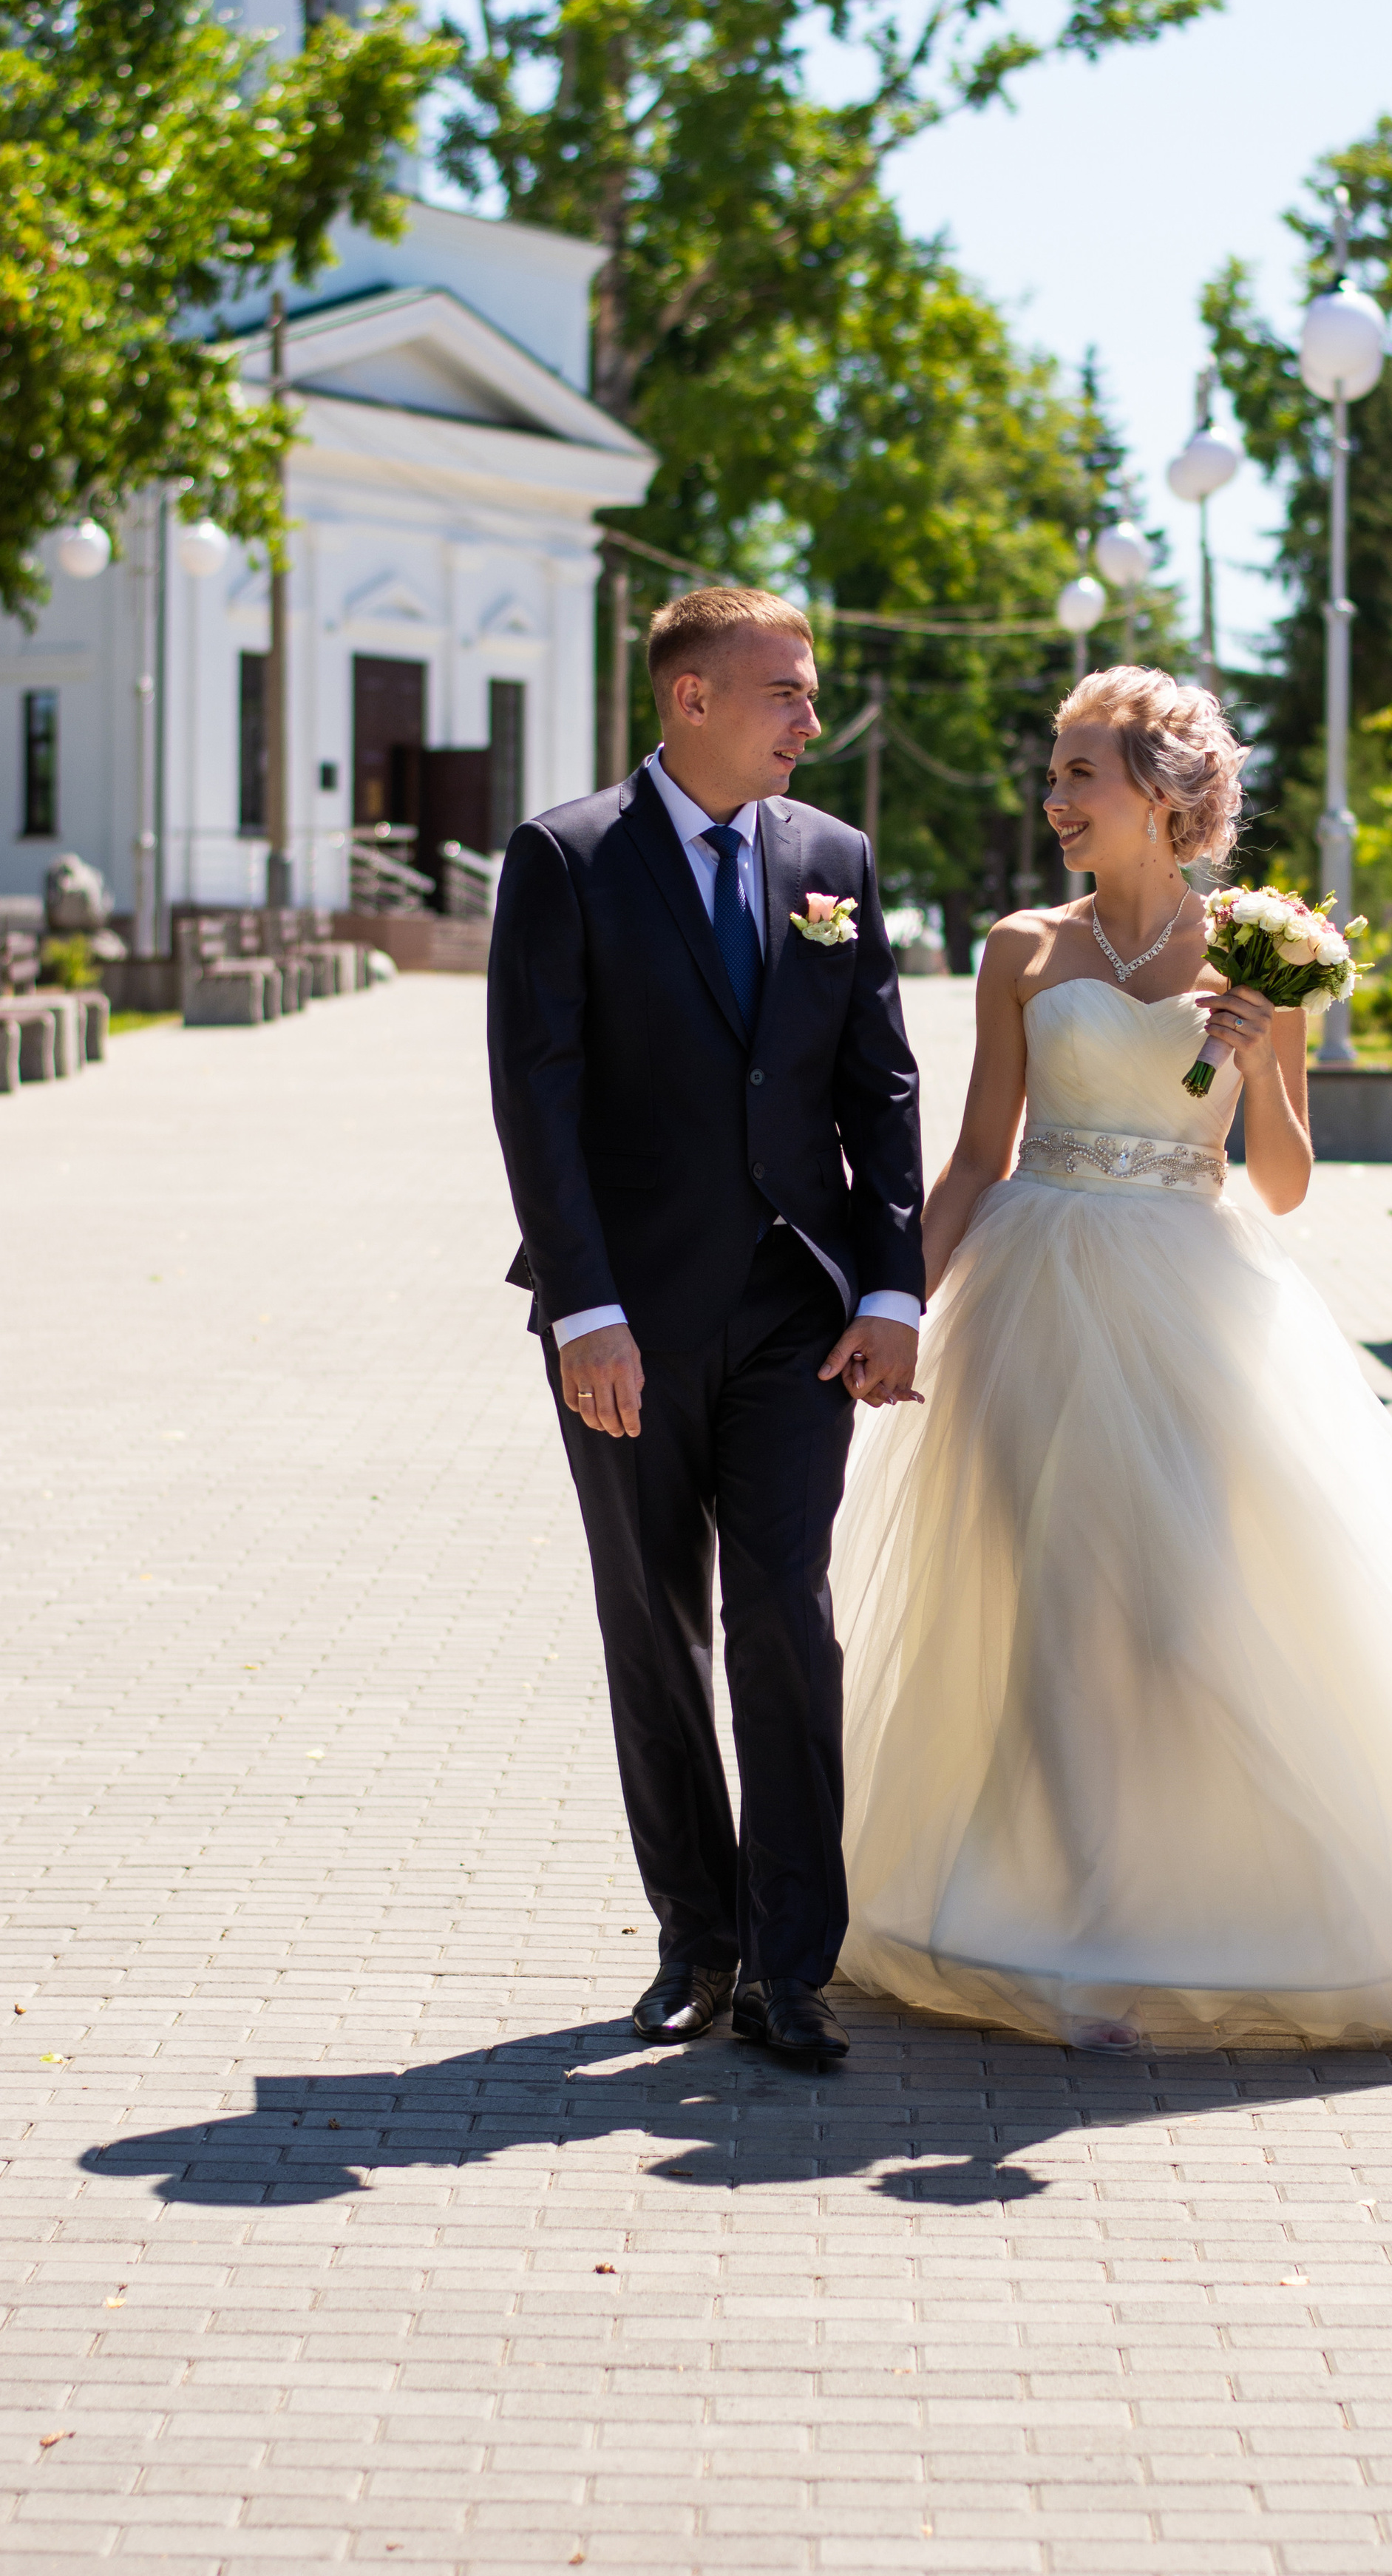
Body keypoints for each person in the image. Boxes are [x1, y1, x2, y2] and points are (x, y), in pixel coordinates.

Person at [832, 664, 1392, 2050]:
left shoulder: (1263, 950)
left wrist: (1261, 1061)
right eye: (1053, 773)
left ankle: (1200, 1895)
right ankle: (1081, 1918)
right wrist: (897, 1306)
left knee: (1177, 1621)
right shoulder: (1020, 949)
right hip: (1032, 1298)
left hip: (1194, 1303)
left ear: (1163, 800)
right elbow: (979, 1156)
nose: (1055, 799)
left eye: (1079, 776)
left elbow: (1282, 1183)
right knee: (1045, 1610)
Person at [487, 588, 925, 2064]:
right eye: (784, 693)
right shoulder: (566, 858)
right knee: (655, 1627)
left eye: (807, 692)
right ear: (689, 699)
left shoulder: (834, 861)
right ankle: (700, 1939)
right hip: (627, 1321)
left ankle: (795, 1964)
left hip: (798, 1315)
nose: (810, 716)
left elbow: (881, 1089)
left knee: (785, 1623)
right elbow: (535, 1097)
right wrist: (584, 1311)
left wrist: (887, 1288)